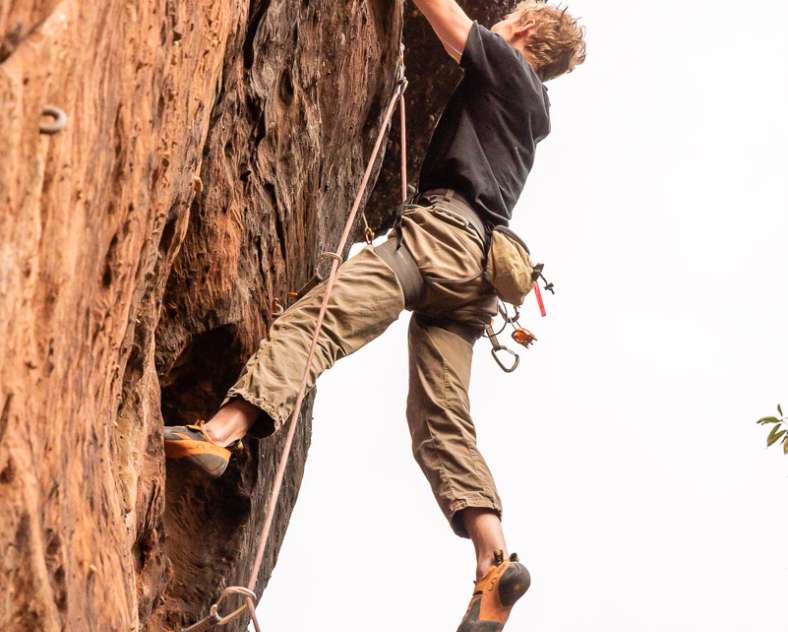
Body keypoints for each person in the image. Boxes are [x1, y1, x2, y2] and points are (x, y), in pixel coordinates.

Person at [164, 1, 585, 629]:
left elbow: (446, 19)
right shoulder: (531, 112)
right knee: (441, 419)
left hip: (440, 238)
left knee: (317, 322)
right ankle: (493, 560)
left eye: (507, 22)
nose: (497, 28)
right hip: (478, 279)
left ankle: (218, 435)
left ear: (522, 31)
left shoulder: (506, 66)